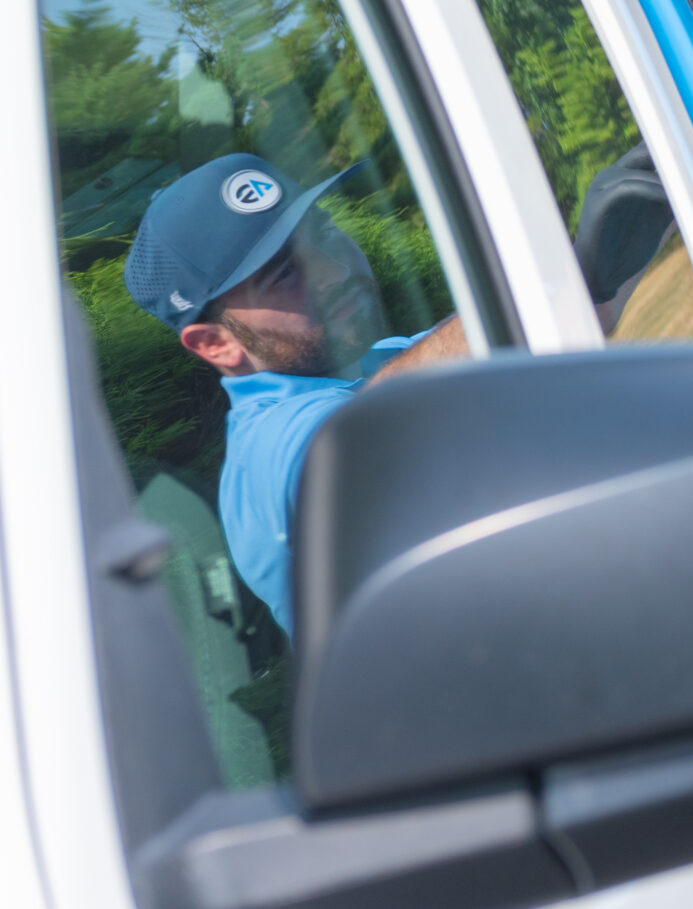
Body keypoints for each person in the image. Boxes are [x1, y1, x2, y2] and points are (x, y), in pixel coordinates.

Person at [123, 153, 466, 636]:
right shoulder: (267, 448)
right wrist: (536, 294)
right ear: (216, 343)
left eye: (323, 233)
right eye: (284, 273)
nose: (333, 270)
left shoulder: (382, 360)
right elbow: (361, 433)